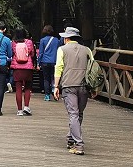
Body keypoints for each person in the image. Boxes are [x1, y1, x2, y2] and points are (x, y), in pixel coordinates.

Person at [53, 26, 95, 155]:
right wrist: (94, 88)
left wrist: (56, 86)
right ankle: (71, 139)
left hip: (68, 85)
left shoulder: (62, 50)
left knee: (73, 114)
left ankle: (79, 145)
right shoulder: (87, 50)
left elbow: (59, 67)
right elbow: (93, 69)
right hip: (84, 86)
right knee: (79, 114)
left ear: (67, 38)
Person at [10, 27, 36, 116]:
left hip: (17, 68)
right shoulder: (29, 42)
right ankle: (26, 107)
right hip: (27, 68)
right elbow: (32, 54)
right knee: (28, 87)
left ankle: (19, 110)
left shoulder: (13, 43)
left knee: (18, 89)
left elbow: (12, 53)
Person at [36, 25, 61, 101]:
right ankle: (54, 90)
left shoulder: (42, 40)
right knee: (53, 77)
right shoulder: (57, 40)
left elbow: (40, 53)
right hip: (54, 61)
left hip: (45, 61)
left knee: (46, 79)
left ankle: (47, 95)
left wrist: (38, 63)